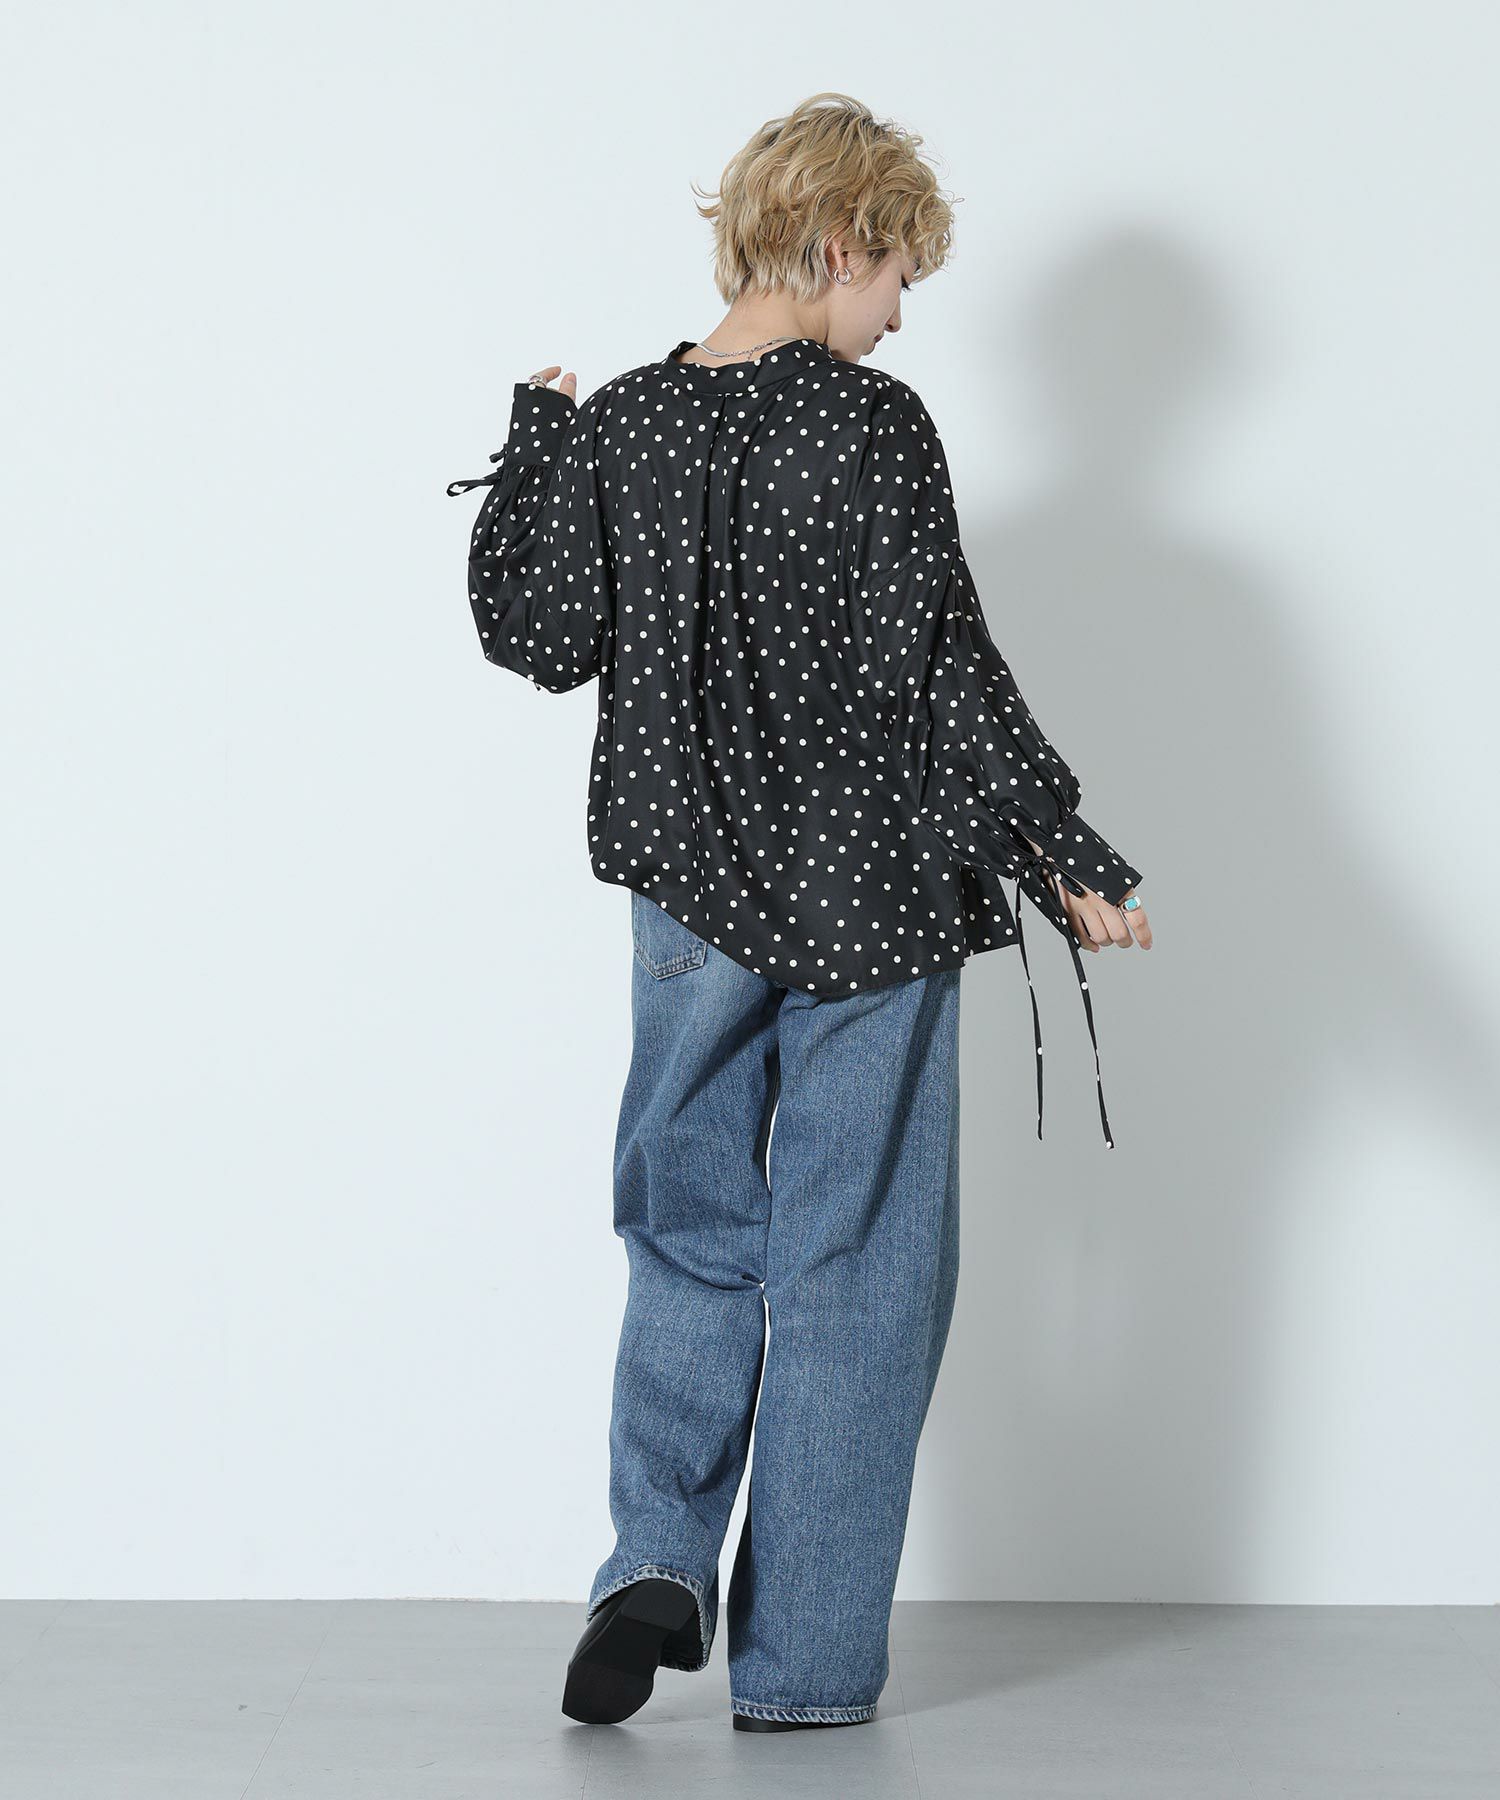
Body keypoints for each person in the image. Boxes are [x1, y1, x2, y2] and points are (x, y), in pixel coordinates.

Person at [446, 91, 1152, 1734]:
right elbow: (942, 669)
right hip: (872, 913)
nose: (901, 316)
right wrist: (1066, 855)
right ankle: (810, 1669)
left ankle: (654, 1560)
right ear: (839, 244)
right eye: (898, 277)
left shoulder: (625, 424)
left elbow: (538, 636)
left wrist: (539, 440)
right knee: (859, 1267)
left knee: (687, 1234)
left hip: (686, 908)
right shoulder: (874, 428)